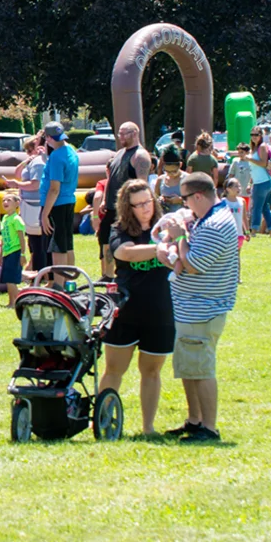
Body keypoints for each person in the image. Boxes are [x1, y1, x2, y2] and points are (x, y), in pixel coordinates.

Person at [164, 172, 238, 443]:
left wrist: (180, 236)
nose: (183, 204)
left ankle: (209, 427)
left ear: (197, 196)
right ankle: (195, 421)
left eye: (185, 199)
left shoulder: (216, 224)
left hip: (203, 310)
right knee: (189, 367)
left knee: (201, 369)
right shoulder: (207, 219)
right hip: (192, 308)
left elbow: (194, 264)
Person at [99, 180, 174, 435]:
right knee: (114, 370)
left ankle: (148, 428)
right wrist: (160, 249)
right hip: (126, 310)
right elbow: (125, 254)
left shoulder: (166, 229)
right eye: (139, 204)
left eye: (148, 202)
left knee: (151, 371)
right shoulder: (119, 229)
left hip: (160, 309)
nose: (145, 208)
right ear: (127, 207)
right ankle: (102, 422)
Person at [99, 122, 152, 277]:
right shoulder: (120, 153)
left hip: (127, 209)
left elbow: (142, 186)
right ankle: (107, 275)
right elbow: (110, 178)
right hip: (111, 206)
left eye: (124, 133)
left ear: (135, 133)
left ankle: (123, 273)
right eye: (119, 133)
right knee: (106, 241)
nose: (120, 137)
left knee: (125, 241)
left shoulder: (140, 156)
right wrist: (103, 199)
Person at [38, 123, 81, 269]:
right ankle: (69, 281)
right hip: (68, 201)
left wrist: (45, 214)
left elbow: (54, 189)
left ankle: (58, 284)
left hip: (56, 204)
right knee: (67, 244)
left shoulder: (56, 156)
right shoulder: (71, 150)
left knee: (57, 245)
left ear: (48, 138)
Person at [16, 136, 50, 273]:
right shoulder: (33, 162)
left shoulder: (39, 163)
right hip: (30, 204)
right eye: (27, 151)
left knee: (38, 241)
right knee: (34, 240)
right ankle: (36, 268)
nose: (29, 153)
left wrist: (17, 184)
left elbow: (36, 185)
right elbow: (17, 173)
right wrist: (26, 161)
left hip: (35, 204)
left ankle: (39, 270)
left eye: (31, 150)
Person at [246, 127, 271, 235]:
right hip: (261, 181)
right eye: (252, 134)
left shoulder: (262, 146)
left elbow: (263, 163)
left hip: (263, 181)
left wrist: (249, 159)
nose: (254, 137)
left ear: (261, 135)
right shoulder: (254, 148)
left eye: (256, 134)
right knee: (264, 207)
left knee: (257, 207)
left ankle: (254, 230)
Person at [0, 189, 26, 303]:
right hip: (7, 253)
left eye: (9, 200)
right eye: (4, 200)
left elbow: (22, 239)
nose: (5, 202)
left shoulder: (16, 220)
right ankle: (13, 300)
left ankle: (13, 302)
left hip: (15, 252)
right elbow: (3, 239)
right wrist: (0, 255)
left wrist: (22, 254)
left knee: (11, 280)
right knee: (8, 280)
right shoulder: (4, 219)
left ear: (17, 203)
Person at [151, 148, 186, 214]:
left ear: (180, 165)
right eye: (167, 171)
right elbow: (154, 202)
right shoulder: (160, 180)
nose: (171, 174)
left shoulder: (188, 179)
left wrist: (181, 200)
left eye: (174, 171)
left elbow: (197, 201)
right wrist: (160, 200)